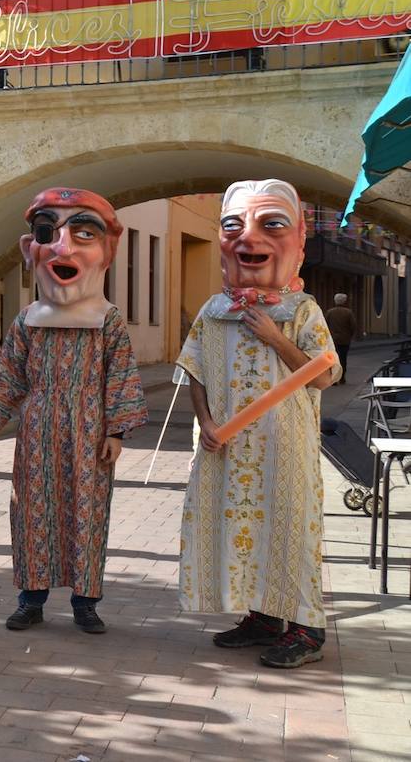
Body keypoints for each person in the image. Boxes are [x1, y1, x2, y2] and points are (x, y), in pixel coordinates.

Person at [0, 188, 147, 635]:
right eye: (49, 233)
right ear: (32, 250)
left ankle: (86, 602)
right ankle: (31, 599)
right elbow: (9, 372)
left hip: (90, 430)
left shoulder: (108, 319)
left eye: (84, 233)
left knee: (87, 512)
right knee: (32, 510)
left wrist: (117, 432)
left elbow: (119, 373)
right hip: (37, 428)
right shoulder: (28, 318)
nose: (64, 246)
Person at [177, 179, 338, 669]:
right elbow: (195, 370)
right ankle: (265, 618)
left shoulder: (302, 311)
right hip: (227, 447)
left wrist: (274, 336)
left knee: (290, 532)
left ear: (298, 243)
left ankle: (307, 629)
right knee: (243, 531)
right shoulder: (213, 310)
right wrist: (204, 422)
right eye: (233, 225)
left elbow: (327, 375)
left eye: (271, 224)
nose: (249, 239)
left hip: (284, 449)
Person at [324, 293, 357, 385]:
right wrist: (350, 335)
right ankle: (342, 378)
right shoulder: (348, 312)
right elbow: (353, 326)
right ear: (344, 301)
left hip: (332, 340)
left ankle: (333, 379)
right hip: (344, 340)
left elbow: (324, 324)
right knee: (343, 359)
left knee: (333, 359)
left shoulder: (330, 312)